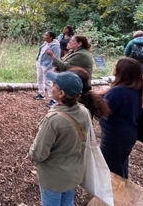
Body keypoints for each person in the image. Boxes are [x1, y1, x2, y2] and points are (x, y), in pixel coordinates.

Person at [29, 71, 91, 206]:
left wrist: (32, 155)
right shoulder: (84, 111)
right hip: (73, 172)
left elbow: (40, 153)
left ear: (61, 93)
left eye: (54, 85)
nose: (51, 87)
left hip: (54, 177)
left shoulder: (53, 120)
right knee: (67, 202)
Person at [100, 58, 143, 178]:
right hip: (126, 134)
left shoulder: (118, 91)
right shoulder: (134, 88)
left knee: (111, 167)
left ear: (122, 71)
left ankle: (116, 193)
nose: (113, 66)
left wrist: (97, 97)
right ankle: (121, 190)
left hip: (115, 136)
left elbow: (103, 111)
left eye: (115, 65)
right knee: (119, 163)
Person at [34, 31, 61, 108]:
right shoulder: (45, 43)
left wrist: (50, 66)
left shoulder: (55, 46)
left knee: (47, 82)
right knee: (40, 78)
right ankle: (41, 94)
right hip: (40, 63)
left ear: (51, 37)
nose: (44, 36)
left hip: (47, 66)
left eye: (46, 35)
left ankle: (53, 99)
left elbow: (56, 57)